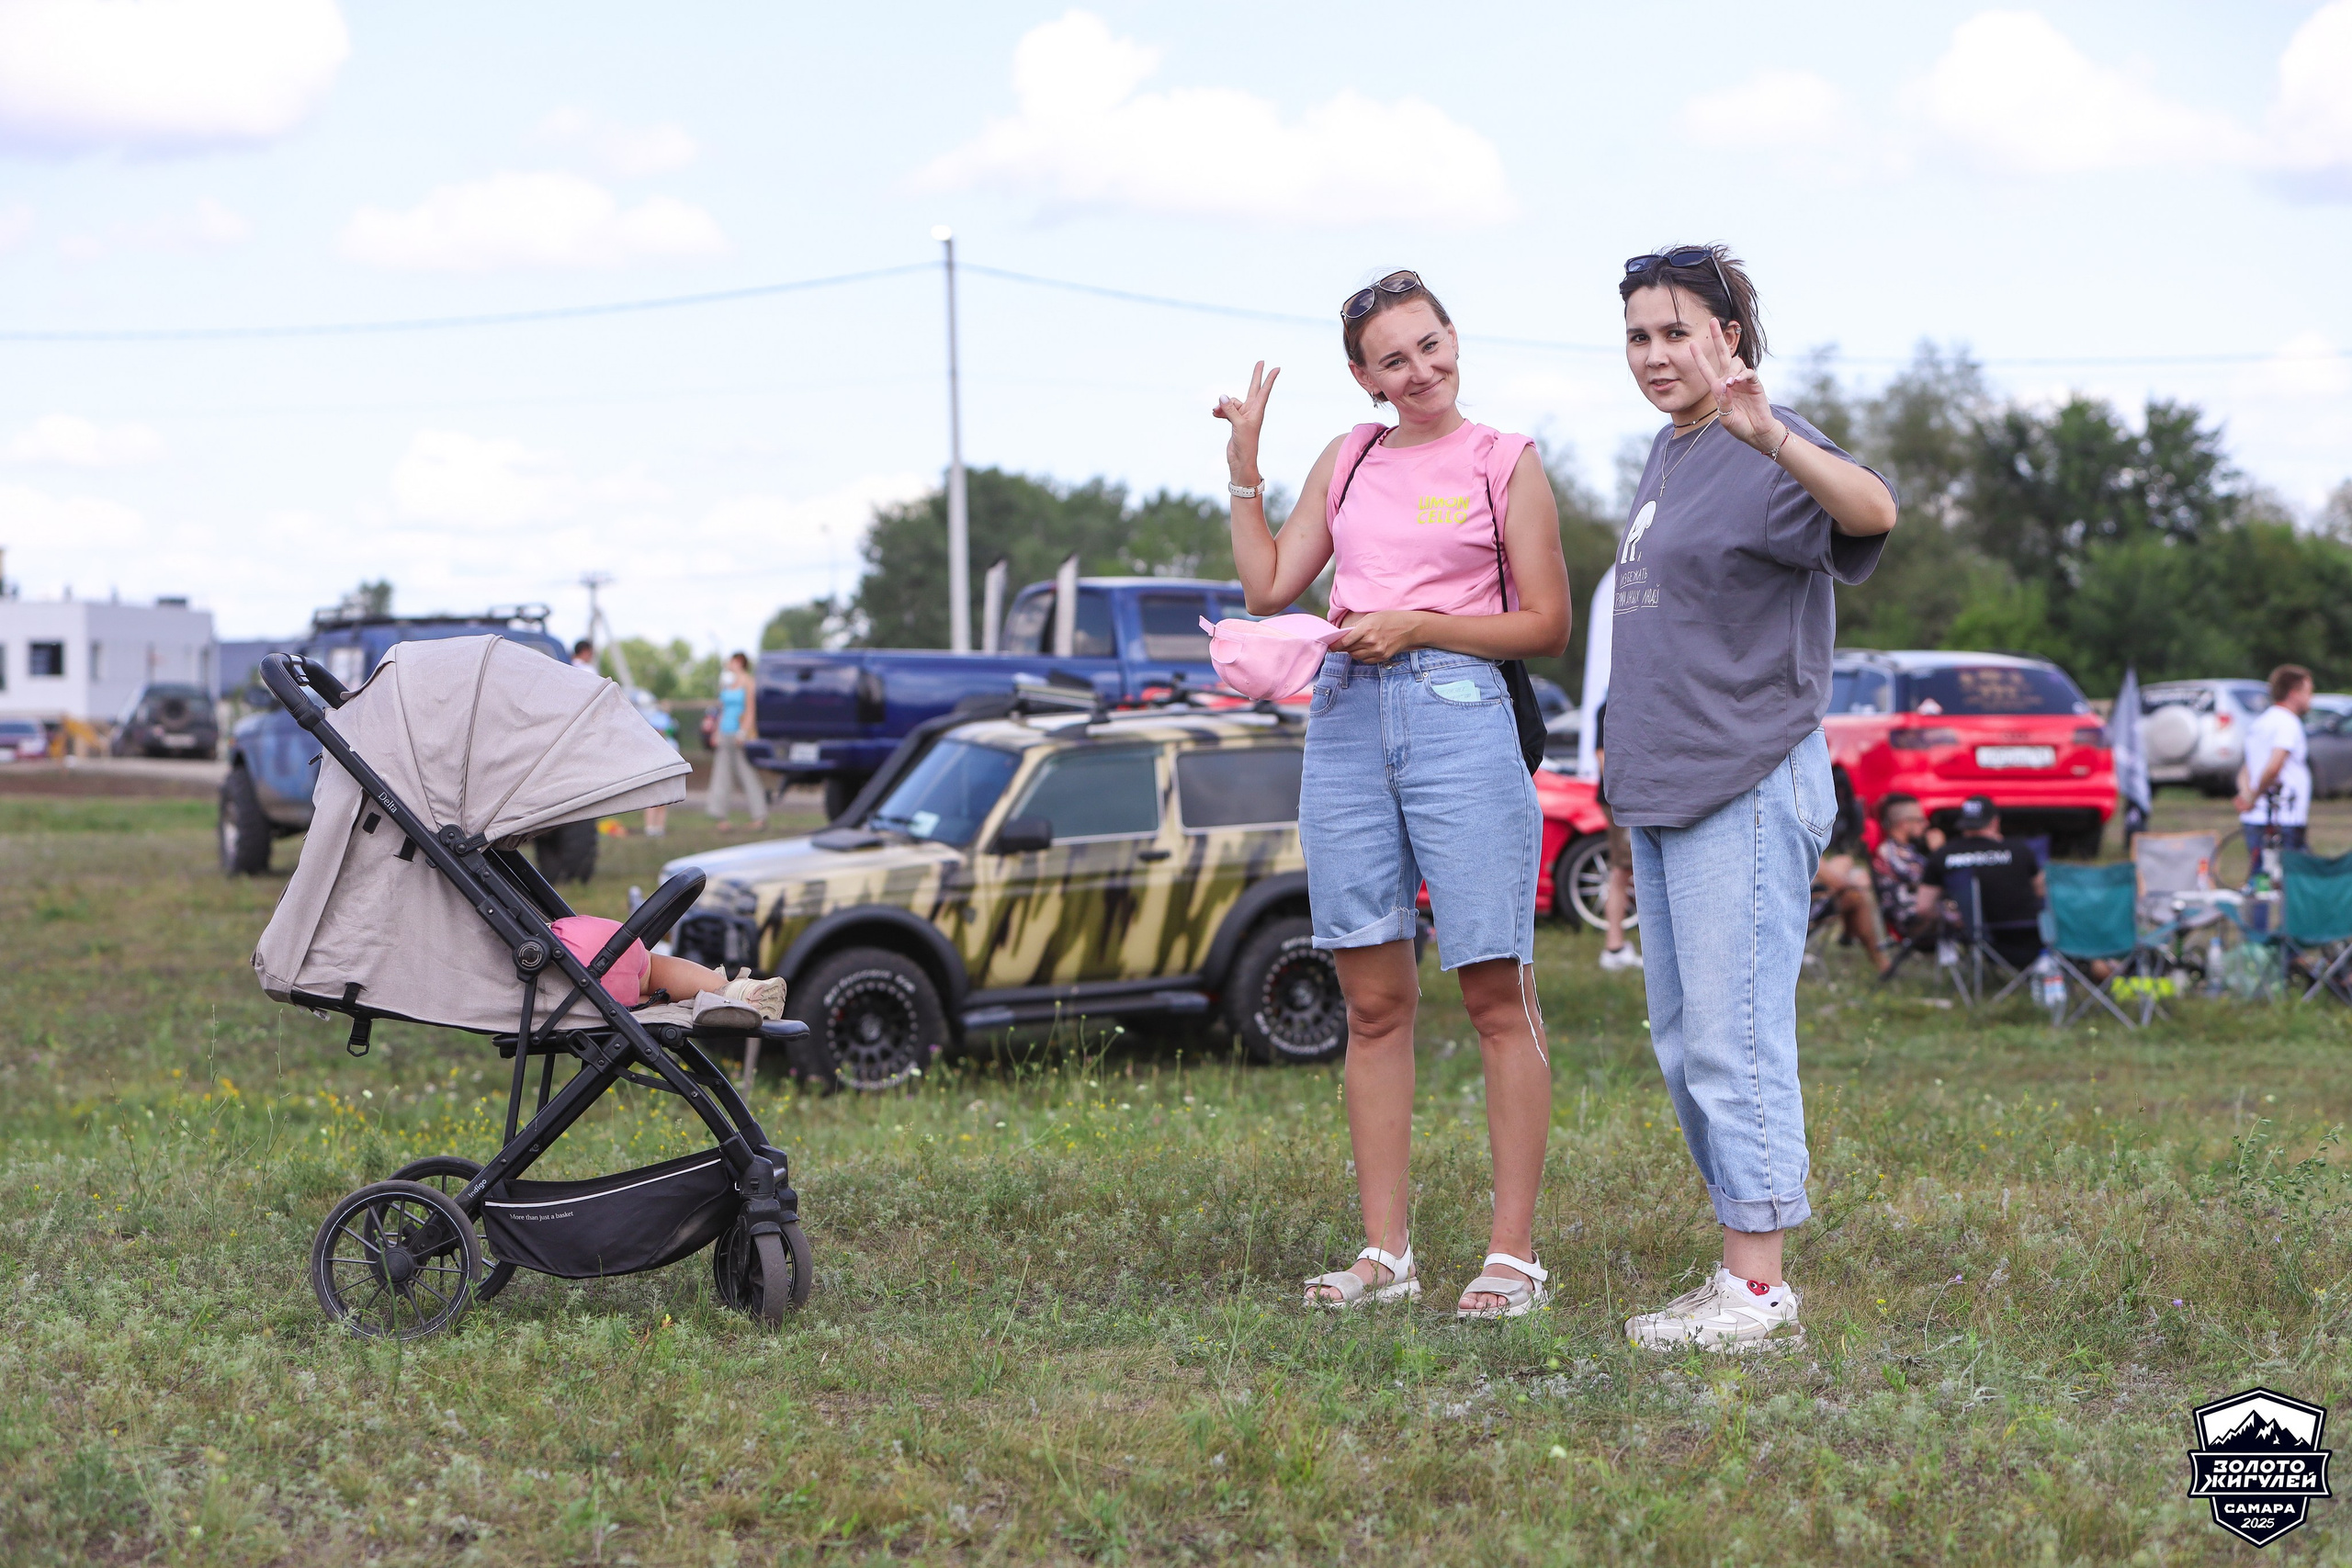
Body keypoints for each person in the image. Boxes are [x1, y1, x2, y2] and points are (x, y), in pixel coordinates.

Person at [1214, 269, 1572, 1319]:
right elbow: (1271, 586)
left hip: (1462, 713)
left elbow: (1544, 625)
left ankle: (1511, 1258)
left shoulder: (1507, 462)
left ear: (1454, 339)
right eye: (1393, 360)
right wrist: (1245, 474)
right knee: (1371, 1004)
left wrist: (1418, 623)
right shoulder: (1352, 457)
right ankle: (1385, 1254)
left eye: (1430, 345)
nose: (1420, 371)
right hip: (1346, 718)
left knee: (1493, 994)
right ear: (1364, 380)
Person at [1606, 244, 1896, 1353]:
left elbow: (1872, 511)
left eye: (1676, 330)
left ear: (1730, 335)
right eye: (1638, 335)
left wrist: (1769, 432)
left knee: (1734, 1040)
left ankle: (1761, 1294)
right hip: (1670, 786)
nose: (1654, 353)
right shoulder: (1667, 451)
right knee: (1685, 1044)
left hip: (1748, 776)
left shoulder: (1760, 437)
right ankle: (1740, 1270)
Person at [1917, 795, 2044, 974]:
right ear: (1995, 822)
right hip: (2029, 935)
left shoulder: (1943, 855)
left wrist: (1952, 918)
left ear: (1963, 824)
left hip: (1977, 936)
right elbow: (2042, 891)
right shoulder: (2020, 851)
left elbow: (1923, 908)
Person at [2235, 664, 2313, 882]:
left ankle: (2257, 917)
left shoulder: (2260, 722)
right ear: (2294, 693)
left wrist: (2246, 794)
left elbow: (2247, 767)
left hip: (2255, 817)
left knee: (2261, 879)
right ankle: (2293, 918)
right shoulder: (2287, 723)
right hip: (2284, 819)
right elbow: (2274, 767)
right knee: (2295, 881)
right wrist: (2253, 796)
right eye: (2308, 692)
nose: (2311, 699)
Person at [1592, 702, 1639, 971]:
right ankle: (1614, 948)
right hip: (1623, 800)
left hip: (1636, 797)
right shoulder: (1611, 704)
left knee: (1631, 871)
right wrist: (1624, 795)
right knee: (1622, 870)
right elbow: (1602, 755)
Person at [707, 651, 767, 831]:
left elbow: (750, 710)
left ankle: (759, 816)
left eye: (731, 661)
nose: (728, 663)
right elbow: (723, 710)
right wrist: (716, 732)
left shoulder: (749, 682)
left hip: (739, 734)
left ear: (739, 661)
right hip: (725, 733)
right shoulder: (729, 684)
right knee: (721, 775)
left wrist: (743, 732)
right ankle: (720, 817)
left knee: (747, 774)